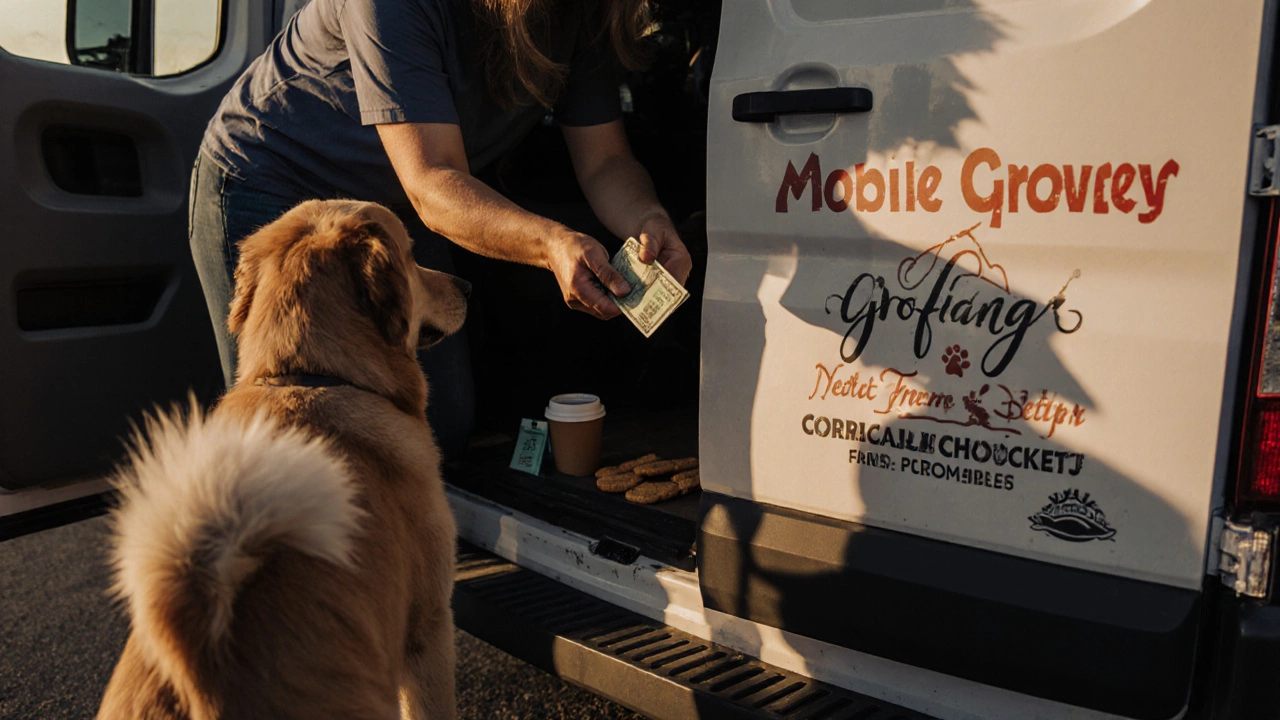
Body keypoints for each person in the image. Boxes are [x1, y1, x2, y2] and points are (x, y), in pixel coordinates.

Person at [189, 0, 693, 456]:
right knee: (295, 424)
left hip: (398, 205)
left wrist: (648, 218)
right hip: (279, 184)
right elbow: (433, 178)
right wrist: (553, 245)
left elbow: (604, 162)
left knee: (435, 424)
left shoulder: (583, 14)